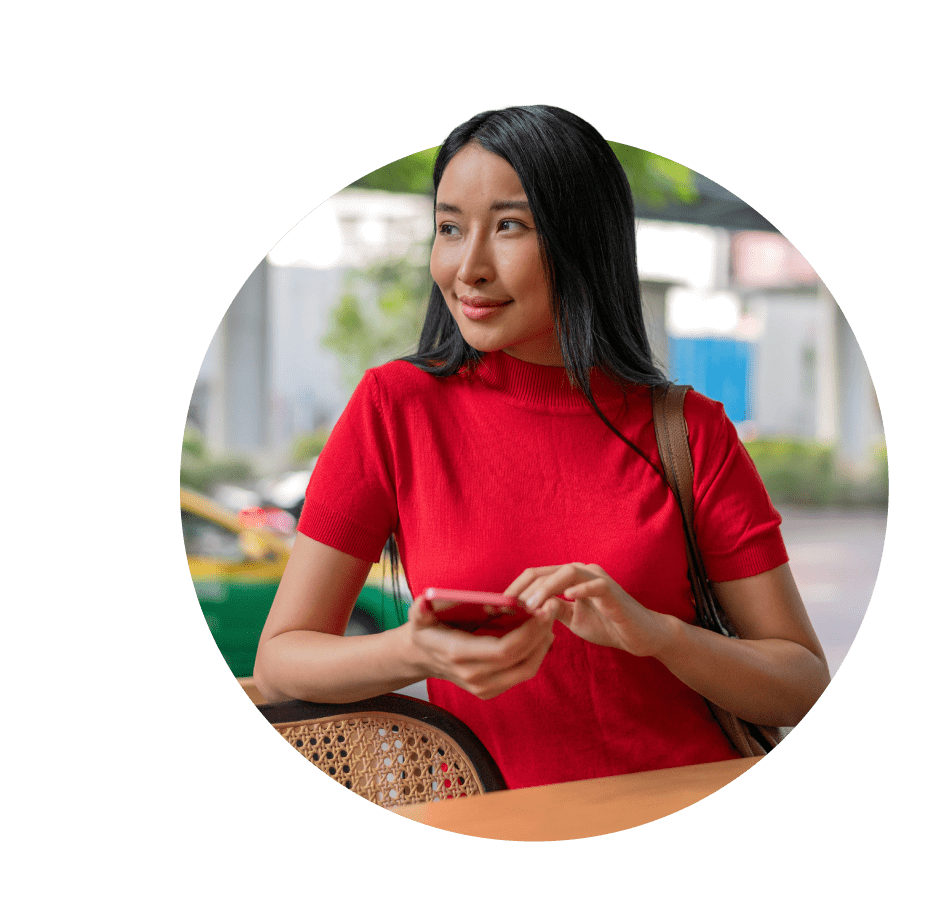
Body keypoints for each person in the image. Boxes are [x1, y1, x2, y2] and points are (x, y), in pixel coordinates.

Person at [253, 105, 829, 789]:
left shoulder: (691, 432)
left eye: (509, 226)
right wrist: (416, 650)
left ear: (581, 238)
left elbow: (802, 680)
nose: (469, 267)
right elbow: (281, 659)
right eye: (448, 227)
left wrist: (660, 635)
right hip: (494, 821)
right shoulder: (394, 409)